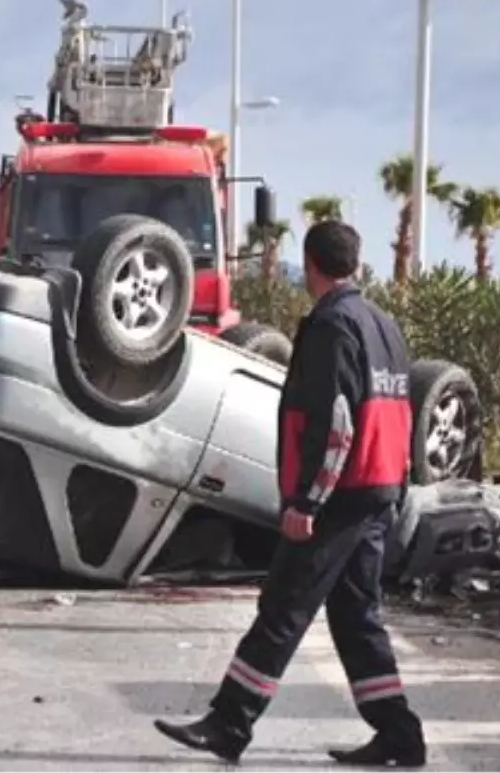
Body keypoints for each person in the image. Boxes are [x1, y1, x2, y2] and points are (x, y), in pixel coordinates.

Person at [153, 220, 426, 767]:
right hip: (378, 489)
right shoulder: (384, 324)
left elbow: (337, 423)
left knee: (283, 607)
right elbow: (399, 410)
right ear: (356, 261)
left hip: (341, 496)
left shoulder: (331, 325)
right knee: (356, 617)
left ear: (312, 265)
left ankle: (229, 723)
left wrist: (308, 502)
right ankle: (399, 733)